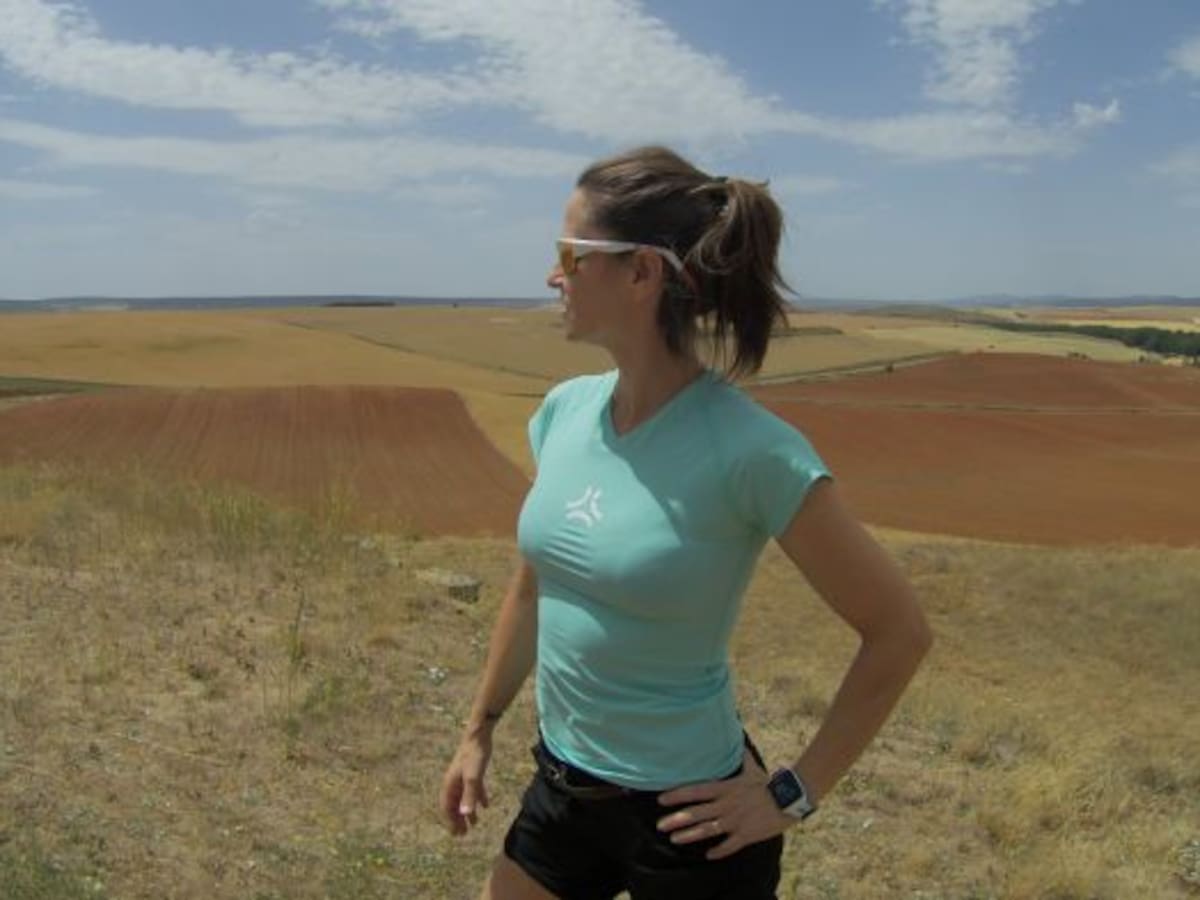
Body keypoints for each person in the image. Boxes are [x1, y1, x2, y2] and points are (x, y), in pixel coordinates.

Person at [440, 146, 932, 900]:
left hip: (694, 821)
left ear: (641, 273)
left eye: (569, 255)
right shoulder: (563, 413)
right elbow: (534, 589)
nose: (551, 277)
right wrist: (478, 731)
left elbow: (898, 632)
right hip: (563, 790)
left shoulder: (753, 451)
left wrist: (792, 793)